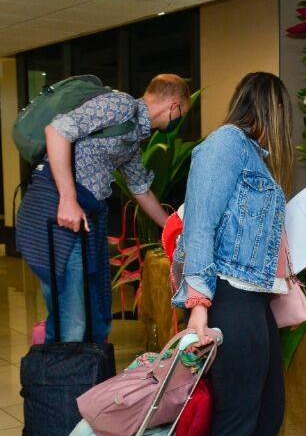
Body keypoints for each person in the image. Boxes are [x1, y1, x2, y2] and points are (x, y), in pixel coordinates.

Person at [176, 72, 297, 436]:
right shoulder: (226, 144)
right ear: (273, 108)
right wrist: (198, 305)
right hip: (229, 297)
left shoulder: (254, 156)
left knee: (268, 414)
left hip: (255, 301)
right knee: (236, 424)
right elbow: (199, 224)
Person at [16, 74, 189, 344]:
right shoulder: (121, 106)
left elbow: (141, 189)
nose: (179, 120)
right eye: (181, 114)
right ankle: (62, 371)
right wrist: (68, 199)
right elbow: (57, 131)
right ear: (174, 106)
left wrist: (175, 228)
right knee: (72, 323)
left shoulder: (132, 135)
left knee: (94, 320)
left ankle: (81, 370)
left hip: (83, 217)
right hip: (56, 211)